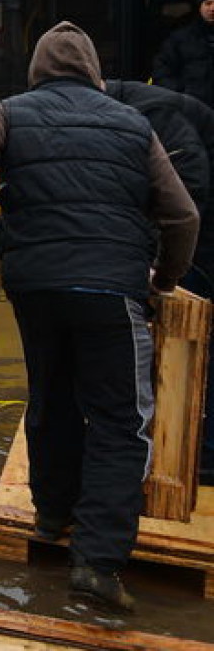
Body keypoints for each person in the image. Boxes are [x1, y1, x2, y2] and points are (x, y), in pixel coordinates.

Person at [0, 21, 198, 614]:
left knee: (51, 397)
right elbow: (182, 216)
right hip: (112, 289)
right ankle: (97, 563)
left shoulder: (10, 111)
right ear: (92, 71)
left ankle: (52, 513)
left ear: (37, 69)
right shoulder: (134, 124)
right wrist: (162, 282)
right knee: (118, 421)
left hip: (34, 286)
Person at [105, 78, 214, 485]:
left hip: (203, 234)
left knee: (198, 338)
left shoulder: (155, 114)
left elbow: (188, 193)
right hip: (193, 228)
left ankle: (202, 455)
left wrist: (160, 265)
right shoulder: (123, 112)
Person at [153, 0, 214, 107]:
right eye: (208, 3)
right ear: (199, 7)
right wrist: (182, 96)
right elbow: (162, 73)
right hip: (192, 110)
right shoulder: (180, 39)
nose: (213, 8)